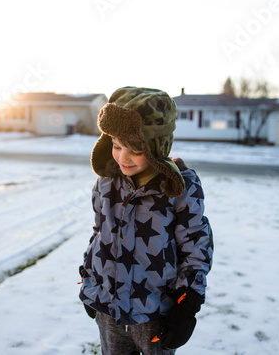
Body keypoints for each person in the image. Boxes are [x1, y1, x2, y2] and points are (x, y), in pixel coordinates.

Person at [79, 87, 213, 354]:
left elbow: (196, 245)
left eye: (135, 150)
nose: (122, 157)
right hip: (109, 309)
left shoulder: (180, 188)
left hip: (155, 312)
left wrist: (188, 303)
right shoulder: (106, 183)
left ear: (157, 146)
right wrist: (89, 276)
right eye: (116, 146)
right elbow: (99, 232)